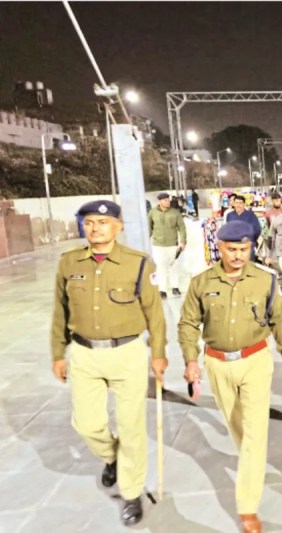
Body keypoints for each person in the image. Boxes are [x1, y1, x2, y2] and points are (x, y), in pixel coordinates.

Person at [51, 200, 167, 526]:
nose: (95, 228)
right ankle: (110, 456)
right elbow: (60, 312)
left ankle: (131, 494)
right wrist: (58, 353)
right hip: (84, 354)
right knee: (86, 424)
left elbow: (154, 315)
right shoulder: (68, 262)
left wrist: (158, 353)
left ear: (119, 225)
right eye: (89, 223)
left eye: (103, 222)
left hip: (127, 354)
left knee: (132, 428)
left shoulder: (139, 263)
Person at [178, 221, 282, 533]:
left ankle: (247, 508)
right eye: (232, 249)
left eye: (244, 249)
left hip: (256, 360)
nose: (238, 255)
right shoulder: (201, 283)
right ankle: (252, 465)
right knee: (240, 432)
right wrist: (191, 360)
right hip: (217, 365)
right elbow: (189, 323)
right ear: (220, 247)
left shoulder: (265, 280)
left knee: (255, 435)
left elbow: (280, 321)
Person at [148, 192, 187, 298]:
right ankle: (162, 290)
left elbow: (182, 228)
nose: (168, 201)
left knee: (174, 266)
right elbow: (149, 228)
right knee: (161, 267)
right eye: (165, 200)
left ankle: (175, 287)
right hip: (158, 245)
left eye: (168, 199)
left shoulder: (175, 213)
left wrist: (183, 241)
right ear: (159, 201)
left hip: (172, 244)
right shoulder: (152, 213)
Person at [226, 195, 262, 261]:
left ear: (244, 204)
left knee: (248, 268)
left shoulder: (251, 215)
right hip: (234, 247)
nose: (238, 205)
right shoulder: (230, 215)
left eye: (240, 203)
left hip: (247, 246)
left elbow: (257, 230)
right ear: (234, 204)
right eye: (236, 203)